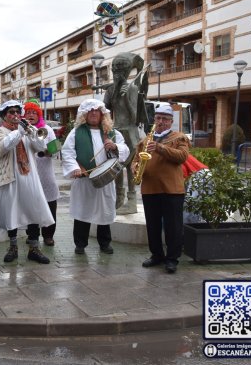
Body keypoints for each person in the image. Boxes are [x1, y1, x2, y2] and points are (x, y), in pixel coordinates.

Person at [61, 99, 130, 255]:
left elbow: (125, 149)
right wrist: (75, 168)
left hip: (105, 181)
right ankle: (80, 244)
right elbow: (67, 152)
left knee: (104, 211)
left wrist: (115, 146)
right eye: (90, 111)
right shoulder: (76, 132)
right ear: (85, 114)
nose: (93, 113)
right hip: (84, 181)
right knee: (82, 212)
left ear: (102, 114)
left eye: (97, 110)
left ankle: (105, 243)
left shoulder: (111, 132)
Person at [0, 100, 55, 264]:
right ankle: (13, 247)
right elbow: (4, 146)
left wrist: (32, 133)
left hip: (29, 177)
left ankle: (34, 248)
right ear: (4, 115)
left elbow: (41, 147)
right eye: (11, 112)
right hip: (11, 178)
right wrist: (20, 131)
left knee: (33, 210)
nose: (15, 115)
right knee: (12, 211)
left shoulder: (26, 130)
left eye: (17, 112)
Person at [132, 104, 189, 273]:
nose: (161, 122)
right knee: (153, 225)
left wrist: (159, 147)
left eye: (165, 119)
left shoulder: (179, 138)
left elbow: (182, 157)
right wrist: (134, 167)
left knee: (173, 226)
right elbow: (135, 160)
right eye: (158, 118)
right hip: (150, 189)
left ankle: (172, 259)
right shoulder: (144, 141)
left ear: (171, 121)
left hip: (172, 190)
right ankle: (156, 255)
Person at [103, 52, 148, 214]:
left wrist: (126, 97)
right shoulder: (110, 90)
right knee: (117, 166)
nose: (117, 74)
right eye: (114, 71)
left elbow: (136, 117)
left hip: (130, 131)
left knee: (130, 167)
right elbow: (105, 111)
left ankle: (132, 201)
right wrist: (113, 93)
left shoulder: (133, 88)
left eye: (120, 71)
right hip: (116, 132)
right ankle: (119, 198)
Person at [22, 99, 60, 246]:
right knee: (31, 206)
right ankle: (32, 235)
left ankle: (48, 235)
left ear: (39, 115)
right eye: (28, 112)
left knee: (50, 205)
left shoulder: (48, 130)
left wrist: (50, 152)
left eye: (34, 112)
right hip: (28, 174)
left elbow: (56, 149)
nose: (31, 115)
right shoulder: (21, 130)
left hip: (46, 174)